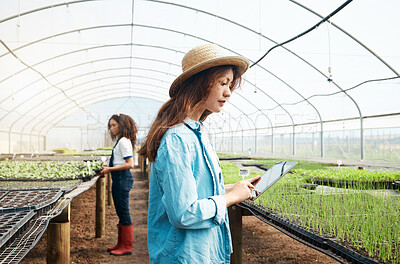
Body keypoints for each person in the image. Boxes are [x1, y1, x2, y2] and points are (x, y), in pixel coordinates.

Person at [138, 43, 261, 263]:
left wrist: (235, 189)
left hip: (204, 252)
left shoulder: (198, 132)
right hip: (184, 256)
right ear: (200, 84)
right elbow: (184, 213)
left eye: (230, 84)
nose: (228, 92)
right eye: (223, 83)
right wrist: (230, 198)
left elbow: (193, 191)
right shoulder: (177, 140)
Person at [101, 113, 138, 256]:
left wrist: (109, 169)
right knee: (120, 212)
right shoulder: (119, 141)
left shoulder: (123, 141)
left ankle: (127, 247)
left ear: (121, 125)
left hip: (123, 178)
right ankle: (120, 244)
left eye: (114, 125)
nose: (111, 128)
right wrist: (108, 167)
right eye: (110, 126)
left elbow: (130, 164)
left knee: (124, 212)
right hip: (118, 178)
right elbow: (118, 162)